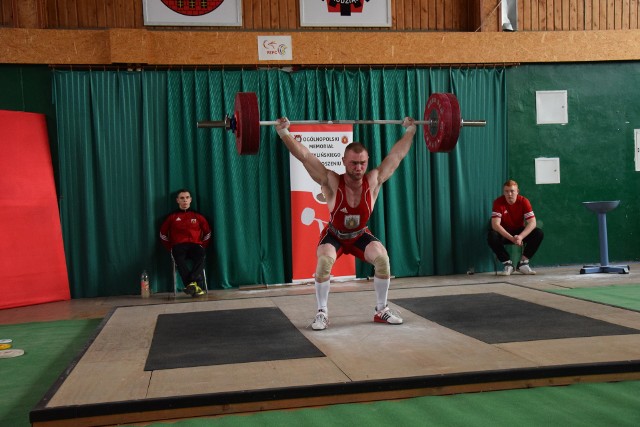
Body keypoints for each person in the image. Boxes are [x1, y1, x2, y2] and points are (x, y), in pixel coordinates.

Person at [275, 116, 417, 330]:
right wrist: (284, 133)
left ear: (367, 161)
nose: (358, 167)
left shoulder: (373, 180)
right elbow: (305, 156)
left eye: (362, 163)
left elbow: (396, 156)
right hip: (335, 236)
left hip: (360, 235)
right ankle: (322, 313)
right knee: (323, 264)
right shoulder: (331, 181)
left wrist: (411, 131)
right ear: (343, 161)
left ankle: (381, 310)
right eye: (353, 163)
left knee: (383, 260)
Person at [159, 189, 211, 296]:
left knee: (201, 254)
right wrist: (170, 247)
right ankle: (194, 285)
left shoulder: (198, 216)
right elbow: (162, 234)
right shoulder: (172, 217)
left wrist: (202, 245)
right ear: (177, 200)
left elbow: (208, 233)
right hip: (178, 246)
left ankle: (191, 283)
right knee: (178, 257)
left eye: (187, 198)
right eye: (182, 198)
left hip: (195, 245)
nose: (185, 200)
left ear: (191, 200)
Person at [488, 179, 544, 275]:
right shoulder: (498, 202)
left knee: (538, 233)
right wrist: (511, 238)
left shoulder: (524, 201)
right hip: (504, 233)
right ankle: (507, 264)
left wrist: (521, 237)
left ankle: (523, 263)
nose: (509, 194)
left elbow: (532, 222)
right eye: (506, 191)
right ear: (503, 192)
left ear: (517, 191)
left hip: (519, 232)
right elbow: (495, 225)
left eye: (512, 191)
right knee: (492, 235)